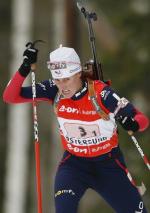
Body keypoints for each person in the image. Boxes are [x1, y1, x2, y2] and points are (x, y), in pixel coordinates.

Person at [3, 44, 149, 213]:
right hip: (74, 165)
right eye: (58, 80)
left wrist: (134, 124)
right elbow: (10, 96)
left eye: (67, 79)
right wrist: (25, 68)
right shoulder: (53, 90)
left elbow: (142, 119)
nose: (62, 86)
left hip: (108, 165)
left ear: (78, 73)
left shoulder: (101, 93)